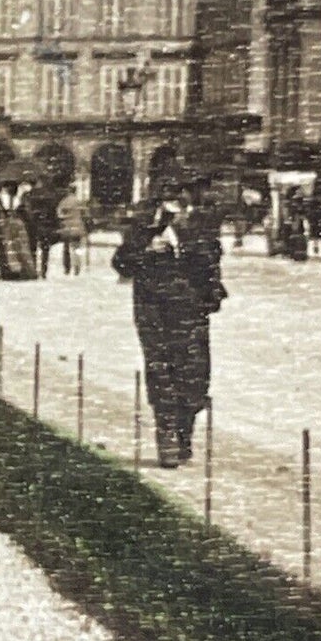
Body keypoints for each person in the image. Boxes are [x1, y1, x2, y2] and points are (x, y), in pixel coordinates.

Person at [112, 168, 227, 470]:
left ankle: (184, 432)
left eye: (181, 195)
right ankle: (167, 437)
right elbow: (121, 262)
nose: (177, 202)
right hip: (155, 311)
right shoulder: (143, 225)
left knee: (194, 375)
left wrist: (186, 250)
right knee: (161, 371)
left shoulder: (201, 226)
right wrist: (147, 248)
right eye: (170, 196)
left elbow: (213, 261)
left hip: (191, 312)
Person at [0, 173, 37, 280]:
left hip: (3, 227)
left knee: (5, 250)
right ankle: (20, 270)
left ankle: (8, 271)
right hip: (16, 226)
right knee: (18, 249)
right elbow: (27, 214)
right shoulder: (20, 199)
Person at [25, 178, 62, 278]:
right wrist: (55, 225)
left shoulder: (28, 196)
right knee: (45, 250)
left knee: (33, 249)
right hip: (46, 225)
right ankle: (44, 271)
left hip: (33, 226)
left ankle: (34, 270)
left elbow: (26, 212)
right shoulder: (49, 196)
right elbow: (53, 212)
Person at [55, 184, 87, 275]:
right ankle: (77, 266)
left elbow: (59, 213)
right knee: (76, 248)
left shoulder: (64, 202)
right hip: (78, 227)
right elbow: (84, 214)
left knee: (66, 248)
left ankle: (67, 267)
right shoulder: (79, 202)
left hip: (67, 227)